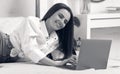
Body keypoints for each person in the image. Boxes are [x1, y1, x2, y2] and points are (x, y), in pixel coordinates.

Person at [0, 3, 76, 67]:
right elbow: (30, 49)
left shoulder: (55, 39)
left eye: (65, 21)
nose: (61, 22)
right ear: (51, 13)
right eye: (60, 16)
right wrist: (56, 64)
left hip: (10, 58)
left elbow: (44, 56)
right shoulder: (32, 22)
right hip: (4, 44)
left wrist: (69, 58)